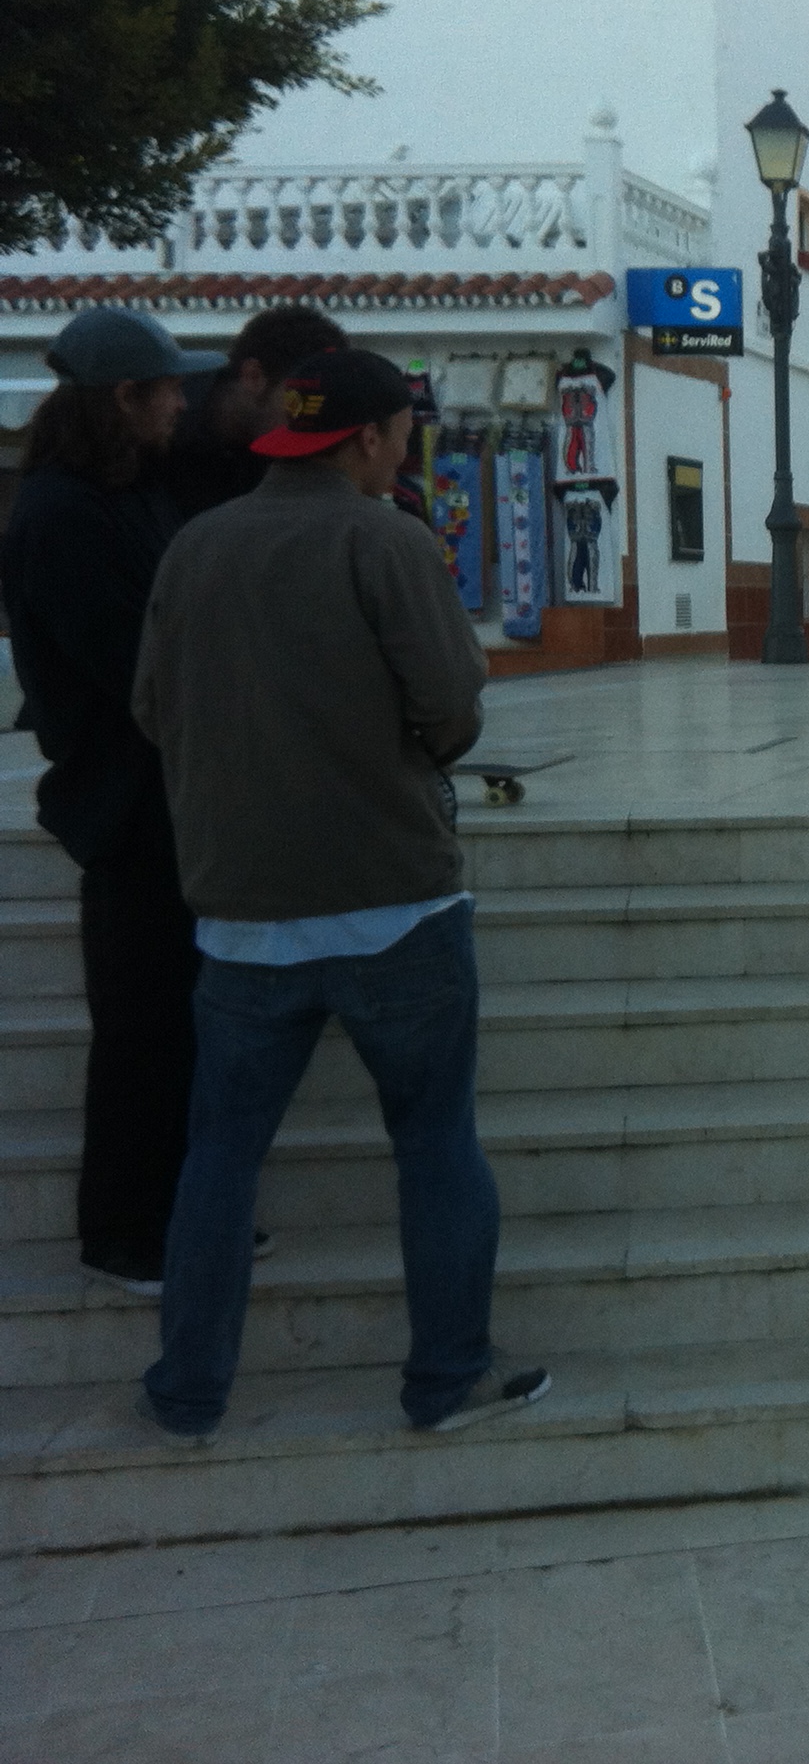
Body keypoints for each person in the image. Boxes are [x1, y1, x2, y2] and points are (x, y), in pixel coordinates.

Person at [134, 348, 548, 1441]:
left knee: (220, 1157)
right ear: (366, 438)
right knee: (435, 1142)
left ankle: (186, 1390)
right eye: (404, 429)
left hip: (239, 918)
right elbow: (453, 717)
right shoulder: (386, 539)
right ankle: (447, 1374)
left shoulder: (195, 551)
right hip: (392, 905)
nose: (408, 445)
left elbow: (149, 708)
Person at [0, 308, 229, 1296]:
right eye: (168, 387)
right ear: (123, 399)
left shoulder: (128, 493)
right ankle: (125, 1230)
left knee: (181, 1022)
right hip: (127, 807)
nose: (184, 400)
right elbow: (139, 665)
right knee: (140, 1026)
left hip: (170, 800)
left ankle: (182, 1208)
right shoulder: (58, 516)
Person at [162, 306, 351, 520]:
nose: (313, 420)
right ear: (253, 376)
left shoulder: (279, 455)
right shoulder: (155, 433)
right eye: (301, 401)